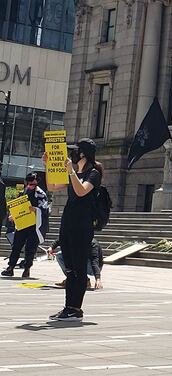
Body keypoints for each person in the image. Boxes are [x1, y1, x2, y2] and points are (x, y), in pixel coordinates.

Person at [44, 138, 102, 322]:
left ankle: (76, 308)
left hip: (82, 225)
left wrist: (70, 172)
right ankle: (69, 307)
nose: (72, 154)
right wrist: (47, 166)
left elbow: (81, 191)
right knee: (70, 268)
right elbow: (52, 186)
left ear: (83, 153)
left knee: (78, 268)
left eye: (75, 151)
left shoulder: (94, 173)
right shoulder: (74, 173)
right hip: (68, 222)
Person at [1, 172, 50, 279]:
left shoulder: (41, 194)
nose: (31, 183)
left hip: (34, 225)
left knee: (30, 248)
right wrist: (13, 216)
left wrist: (36, 209)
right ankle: (10, 267)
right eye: (29, 181)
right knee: (16, 246)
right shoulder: (23, 192)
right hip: (22, 224)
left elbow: (45, 209)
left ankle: (27, 268)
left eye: (33, 181)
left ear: (37, 182)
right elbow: (17, 206)